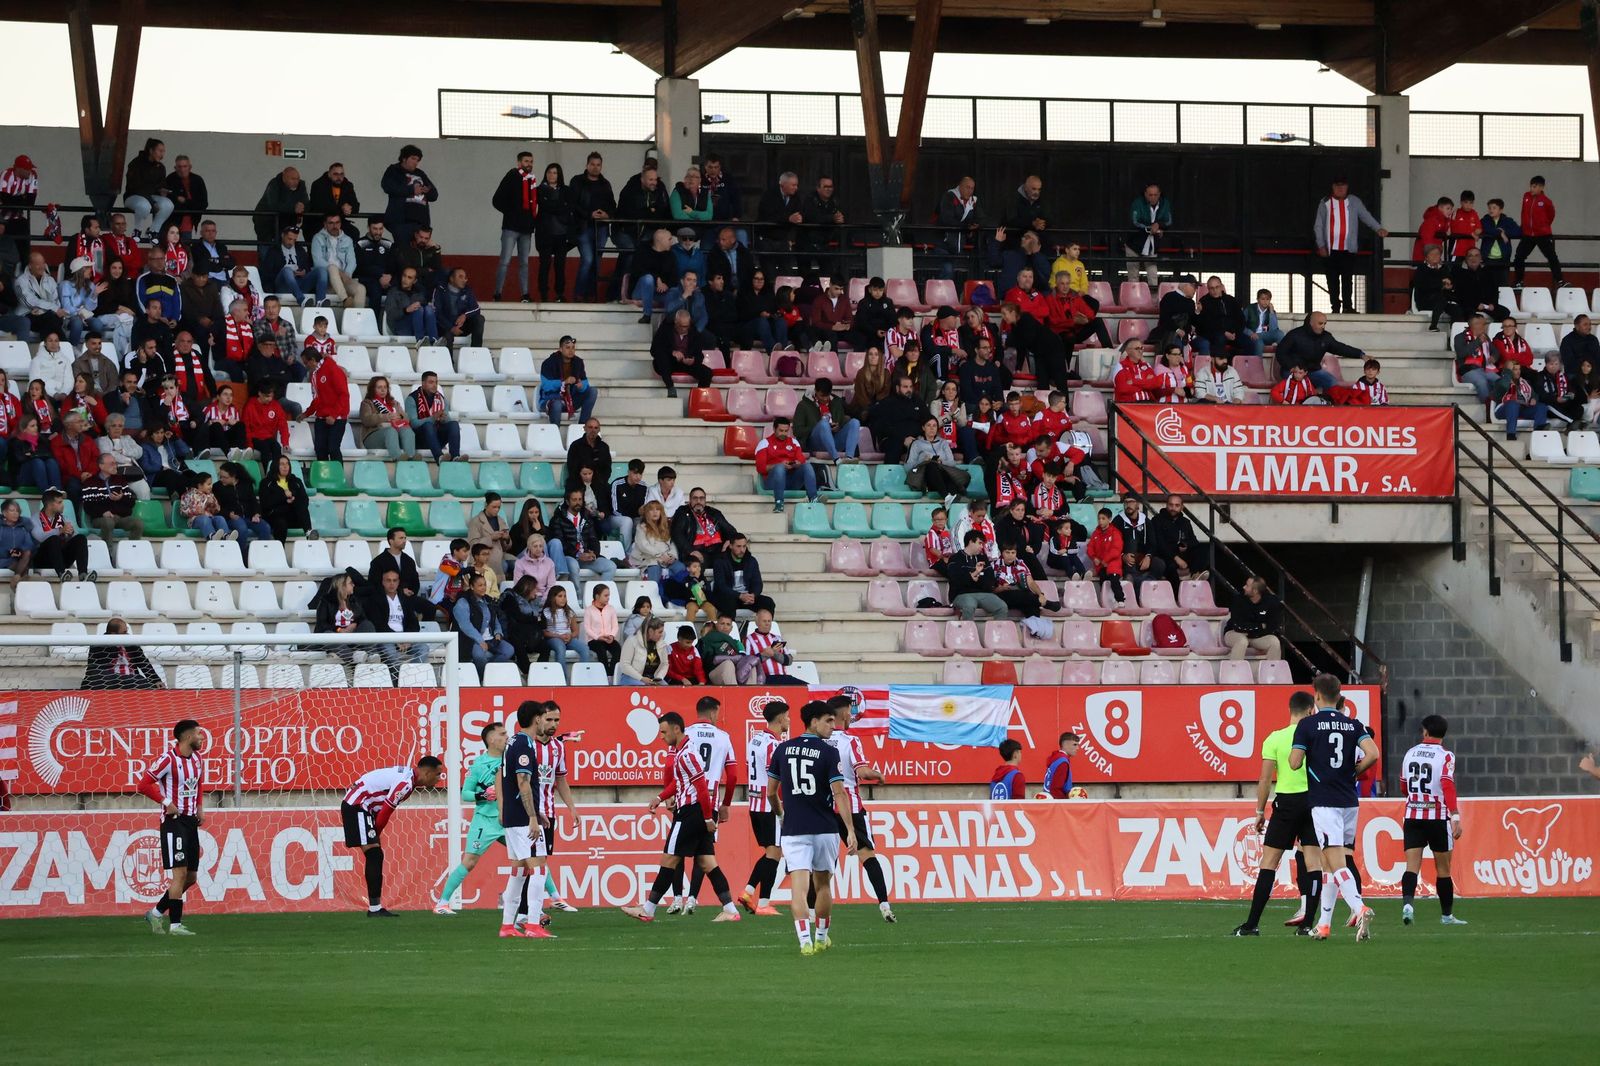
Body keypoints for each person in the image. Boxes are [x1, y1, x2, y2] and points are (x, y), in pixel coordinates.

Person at [620, 710, 742, 924]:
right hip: (696, 811)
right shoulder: (683, 751)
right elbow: (680, 782)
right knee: (707, 862)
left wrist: (706, 819)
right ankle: (730, 909)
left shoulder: (686, 754)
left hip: (690, 813)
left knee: (669, 858)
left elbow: (701, 788)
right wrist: (660, 797)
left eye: (664, 731)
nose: (661, 736)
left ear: (677, 729)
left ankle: (647, 909)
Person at [1288, 675, 1379, 941]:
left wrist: (1303, 752)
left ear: (1316, 696)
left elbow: (1294, 763)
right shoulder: (1353, 724)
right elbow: (1372, 753)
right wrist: (1354, 771)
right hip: (1349, 801)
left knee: (1336, 863)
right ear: (1339, 696)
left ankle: (1359, 907)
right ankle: (1324, 924)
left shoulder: (1308, 724)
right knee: (1330, 864)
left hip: (1324, 802)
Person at [1230, 691, 1323, 937]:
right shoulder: (1315, 736)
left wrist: (1259, 811)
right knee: (1314, 864)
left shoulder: (1275, 738)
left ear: (1290, 710)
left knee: (1269, 863)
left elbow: (1264, 779)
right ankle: (1307, 926)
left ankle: (1252, 924)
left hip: (1287, 804)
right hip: (1313, 802)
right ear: (1310, 711)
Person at [768, 701, 856, 954]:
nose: (833, 725)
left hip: (794, 829)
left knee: (799, 887)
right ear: (813, 721)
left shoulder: (782, 749)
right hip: (825, 828)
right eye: (828, 721)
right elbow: (839, 793)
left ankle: (804, 942)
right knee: (824, 886)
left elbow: (771, 793)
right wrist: (849, 829)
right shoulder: (829, 752)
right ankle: (821, 938)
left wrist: (781, 814)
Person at [339, 755, 444, 917]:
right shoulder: (406, 784)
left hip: (362, 805)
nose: (439, 779)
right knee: (374, 854)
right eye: (438, 774)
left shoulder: (408, 778)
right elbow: (386, 811)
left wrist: (375, 833)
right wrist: (376, 833)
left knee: (375, 855)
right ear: (427, 772)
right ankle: (374, 909)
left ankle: (375, 908)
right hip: (357, 804)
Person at [135, 718, 204, 936]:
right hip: (174, 822)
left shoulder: (197, 759)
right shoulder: (168, 759)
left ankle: (155, 913)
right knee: (180, 875)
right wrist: (166, 803)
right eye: (198, 734)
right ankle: (175, 925)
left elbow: (198, 784)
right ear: (187, 736)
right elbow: (143, 784)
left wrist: (200, 808)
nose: (201, 737)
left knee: (191, 877)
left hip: (191, 821)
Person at [493, 703, 556, 938]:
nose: (546, 722)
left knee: (519, 870)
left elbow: (506, 779)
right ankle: (532, 925)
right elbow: (522, 781)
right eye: (544, 718)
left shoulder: (514, 742)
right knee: (539, 868)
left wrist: (535, 813)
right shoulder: (524, 744)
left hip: (514, 815)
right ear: (537, 719)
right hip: (521, 818)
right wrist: (531, 817)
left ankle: (508, 926)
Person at [1398, 714, 1467, 928]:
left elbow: (1403, 786)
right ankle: (1446, 916)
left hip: (1413, 816)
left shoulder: (1410, 753)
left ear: (1425, 732)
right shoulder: (1446, 756)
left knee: (1411, 867)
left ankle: (1408, 904)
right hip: (1437, 818)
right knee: (1443, 869)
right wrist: (1455, 815)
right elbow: (1447, 785)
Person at [434, 721, 509, 913]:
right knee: (469, 861)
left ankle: (556, 898)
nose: (507, 737)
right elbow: (465, 793)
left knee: (532, 855)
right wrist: (483, 795)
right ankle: (442, 903)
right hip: (485, 821)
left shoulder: (512, 759)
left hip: (508, 819)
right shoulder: (478, 765)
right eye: (502, 734)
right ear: (491, 739)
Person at [736, 699, 789, 915]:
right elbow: (774, 776)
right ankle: (764, 903)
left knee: (771, 853)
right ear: (778, 718)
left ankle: (749, 893)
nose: (788, 720)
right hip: (770, 805)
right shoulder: (774, 745)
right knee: (774, 853)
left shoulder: (755, 740)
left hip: (755, 804)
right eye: (786, 716)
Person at [1313, 177, 1387, 314]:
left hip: (1348, 249)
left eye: (1343, 185)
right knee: (1332, 280)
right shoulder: (1325, 202)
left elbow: (1365, 216)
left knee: (1347, 278)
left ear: (1347, 187)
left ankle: (1347, 306)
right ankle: (1335, 307)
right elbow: (1319, 225)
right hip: (1330, 250)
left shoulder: (1354, 201)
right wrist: (1321, 245)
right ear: (1332, 187)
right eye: (1337, 185)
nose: (1340, 188)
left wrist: (1378, 228)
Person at [489, 151, 538, 302]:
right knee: (505, 261)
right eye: (525, 161)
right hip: (510, 227)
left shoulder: (532, 180)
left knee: (524, 262)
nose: (528, 164)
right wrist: (511, 212)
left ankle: (525, 294)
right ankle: (497, 293)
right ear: (519, 163)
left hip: (526, 229)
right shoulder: (512, 176)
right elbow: (497, 199)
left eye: (531, 161)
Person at [568, 152, 615, 302]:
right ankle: (579, 295)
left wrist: (607, 215)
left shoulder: (605, 184)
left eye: (598, 165)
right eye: (592, 164)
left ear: (601, 166)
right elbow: (572, 204)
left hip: (601, 228)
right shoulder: (577, 181)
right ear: (587, 165)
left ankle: (592, 295)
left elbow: (612, 205)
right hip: (583, 227)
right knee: (588, 259)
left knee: (596, 261)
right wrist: (590, 214)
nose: (595, 168)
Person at [1274, 312, 1364, 390]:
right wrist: (1291, 367)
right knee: (1301, 388)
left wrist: (1360, 354)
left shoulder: (1326, 337)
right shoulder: (1294, 334)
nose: (1323, 326)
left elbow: (1341, 348)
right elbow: (1281, 352)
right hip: (1293, 371)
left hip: (1314, 371)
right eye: (1320, 323)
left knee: (1332, 383)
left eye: (1325, 324)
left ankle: (1328, 406)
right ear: (1311, 323)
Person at [453, 571, 513, 679]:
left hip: (491, 638)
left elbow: (495, 620)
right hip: (473, 640)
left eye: (484, 584)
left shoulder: (488, 600)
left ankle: (490, 673)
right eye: (480, 585)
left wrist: (498, 632)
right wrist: (480, 640)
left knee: (509, 650)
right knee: (479, 656)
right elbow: (465, 625)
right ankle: (482, 678)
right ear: (471, 587)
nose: (483, 588)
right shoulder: (463, 602)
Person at [549, 488, 617, 583]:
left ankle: (599, 593)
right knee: (573, 565)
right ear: (567, 502)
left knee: (611, 566)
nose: (578, 502)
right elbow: (561, 543)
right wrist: (577, 554)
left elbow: (593, 539)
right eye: (574, 499)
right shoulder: (558, 519)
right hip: (569, 557)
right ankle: (577, 596)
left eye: (580, 499)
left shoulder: (587, 518)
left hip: (586, 557)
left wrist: (593, 553)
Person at [754, 417, 816, 513]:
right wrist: (778, 465)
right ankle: (779, 503)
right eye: (781, 430)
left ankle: (813, 498)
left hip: (791, 481)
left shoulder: (794, 442)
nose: (783, 433)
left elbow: (801, 460)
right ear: (774, 429)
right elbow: (760, 468)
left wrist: (796, 464)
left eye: (786, 431)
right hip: (772, 483)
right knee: (779, 468)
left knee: (807, 466)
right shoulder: (764, 443)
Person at [380, 145, 437, 248]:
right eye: (413, 158)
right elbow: (387, 186)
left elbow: (434, 195)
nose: (416, 162)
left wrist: (427, 191)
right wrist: (411, 190)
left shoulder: (420, 173)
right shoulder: (394, 170)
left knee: (421, 252)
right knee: (404, 252)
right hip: (401, 221)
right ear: (404, 158)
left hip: (421, 222)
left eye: (418, 160)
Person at [81, 615, 161, 688]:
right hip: (109, 682)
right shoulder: (98, 645)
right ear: (112, 634)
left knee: (143, 682)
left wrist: (156, 680)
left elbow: (143, 663)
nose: (126, 635)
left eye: (126, 631)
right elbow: (94, 671)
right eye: (124, 633)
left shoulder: (131, 643)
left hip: (132, 681)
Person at [81, 452, 144, 545]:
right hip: (101, 518)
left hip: (120, 517)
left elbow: (131, 502)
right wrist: (103, 512)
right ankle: (107, 553)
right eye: (112, 464)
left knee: (138, 523)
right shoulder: (90, 482)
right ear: (101, 466)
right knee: (108, 522)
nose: (115, 466)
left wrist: (121, 498)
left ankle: (132, 551)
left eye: (115, 463)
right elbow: (88, 505)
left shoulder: (121, 480)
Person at [1146, 494, 1209, 585]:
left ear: (1181, 507)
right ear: (1166, 505)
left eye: (1177, 505)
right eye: (1171, 505)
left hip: (1182, 554)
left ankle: (1195, 575)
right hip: (1166, 556)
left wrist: (1186, 546)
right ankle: (1179, 594)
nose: (1173, 508)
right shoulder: (1157, 520)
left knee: (1203, 550)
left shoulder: (1185, 522)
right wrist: (1176, 558)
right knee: (1170, 567)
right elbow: (1159, 544)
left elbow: (1194, 541)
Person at [301, 346, 349, 463]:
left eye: (306, 363)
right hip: (322, 418)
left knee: (333, 449)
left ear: (312, 360)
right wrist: (306, 413)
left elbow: (343, 395)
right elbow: (317, 399)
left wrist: (333, 415)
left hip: (337, 418)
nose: (305, 366)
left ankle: (338, 478)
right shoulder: (314, 375)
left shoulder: (333, 369)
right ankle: (323, 479)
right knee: (320, 450)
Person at [1513, 175, 1562, 289]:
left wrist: (1543, 226)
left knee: (1552, 257)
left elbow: (1551, 215)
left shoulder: (1546, 201)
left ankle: (1560, 281)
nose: (1532, 189)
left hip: (1543, 235)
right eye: (1531, 186)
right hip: (1528, 235)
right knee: (1519, 256)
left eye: (1534, 187)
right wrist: (1524, 227)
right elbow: (1523, 212)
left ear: (1541, 187)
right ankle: (1519, 281)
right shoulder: (1526, 196)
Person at [310, 212, 367, 309]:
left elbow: (352, 262)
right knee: (332, 268)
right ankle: (345, 300)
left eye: (337, 222)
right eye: (331, 223)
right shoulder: (318, 238)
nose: (334, 226)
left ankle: (356, 320)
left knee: (361, 289)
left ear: (340, 223)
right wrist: (340, 273)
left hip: (344, 279)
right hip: (326, 280)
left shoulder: (347, 240)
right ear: (325, 224)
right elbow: (318, 262)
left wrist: (347, 275)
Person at [214, 460, 272, 553]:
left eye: (225, 477)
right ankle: (240, 555)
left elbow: (253, 501)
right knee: (242, 528)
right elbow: (216, 507)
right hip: (231, 518)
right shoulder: (217, 487)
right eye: (220, 477)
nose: (221, 479)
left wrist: (256, 514)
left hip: (249, 516)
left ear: (234, 477)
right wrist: (228, 514)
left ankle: (257, 553)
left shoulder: (245, 484)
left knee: (265, 527)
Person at [948, 528, 1007, 620]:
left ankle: (995, 633)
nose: (982, 547)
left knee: (1002, 607)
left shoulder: (983, 558)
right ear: (971, 542)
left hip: (983, 593)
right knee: (969, 605)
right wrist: (973, 575)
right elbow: (955, 580)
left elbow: (990, 579)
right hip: (961, 594)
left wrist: (974, 577)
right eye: (979, 543)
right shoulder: (955, 558)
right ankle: (968, 633)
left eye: (982, 544)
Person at [540, 336, 596, 427]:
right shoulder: (548, 363)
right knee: (557, 404)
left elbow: (585, 382)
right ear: (561, 349)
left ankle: (581, 427)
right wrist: (563, 383)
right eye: (567, 348)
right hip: (551, 398)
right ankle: (555, 433)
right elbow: (546, 386)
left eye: (573, 348)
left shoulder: (578, 362)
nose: (571, 350)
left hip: (571, 399)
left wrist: (581, 386)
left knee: (593, 391)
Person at [122, 138, 171, 243]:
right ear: (151, 150)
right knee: (144, 206)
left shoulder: (160, 167)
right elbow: (135, 187)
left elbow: (160, 185)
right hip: (133, 196)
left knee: (168, 204)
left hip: (150, 197)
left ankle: (153, 231)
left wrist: (163, 191)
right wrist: (153, 202)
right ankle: (137, 230)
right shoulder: (136, 164)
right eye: (159, 150)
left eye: (163, 151)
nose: (162, 154)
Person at [407, 371, 462, 463]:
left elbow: (446, 420)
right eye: (431, 382)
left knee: (454, 424)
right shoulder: (412, 398)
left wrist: (443, 419)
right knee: (428, 425)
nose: (434, 385)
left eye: (436, 382)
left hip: (436, 437)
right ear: (423, 383)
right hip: (420, 439)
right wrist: (433, 418)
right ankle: (439, 457)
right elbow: (413, 424)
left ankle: (455, 456)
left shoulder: (441, 399)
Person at [1224, 575, 1282, 660]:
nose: (1244, 587)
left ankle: (1271, 671)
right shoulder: (1238, 600)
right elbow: (1237, 626)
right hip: (1234, 633)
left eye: (1247, 586)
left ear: (1255, 591)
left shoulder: (1271, 601)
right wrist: (1260, 626)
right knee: (1242, 641)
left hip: (1257, 636)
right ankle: (1235, 670)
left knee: (1274, 641)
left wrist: (1252, 629)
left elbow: (1273, 625)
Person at [1124, 182, 1170, 288]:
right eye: (1150, 195)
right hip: (1134, 243)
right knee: (1133, 276)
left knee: (1153, 274)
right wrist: (1150, 228)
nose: (1153, 197)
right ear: (1145, 194)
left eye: (1155, 195)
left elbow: (1168, 221)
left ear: (1159, 194)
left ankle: (1153, 303)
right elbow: (1135, 222)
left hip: (1152, 245)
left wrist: (1159, 225)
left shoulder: (1165, 203)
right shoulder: (1137, 203)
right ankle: (1133, 301)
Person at [259, 454, 314, 543]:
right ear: (276, 466)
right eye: (282, 464)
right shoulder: (266, 483)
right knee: (281, 523)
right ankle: (280, 550)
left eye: (287, 464)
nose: (285, 467)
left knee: (301, 506)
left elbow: (305, 500)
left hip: (293, 516)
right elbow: (266, 503)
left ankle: (309, 533)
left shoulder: (296, 481)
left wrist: (293, 499)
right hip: (275, 516)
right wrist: (284, 496)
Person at [1492, 359, 1547, 441]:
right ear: (1508, 370)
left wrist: (1534, 399)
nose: (1518, 372)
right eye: (1514, 369)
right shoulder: (1500, 382)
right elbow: (1503, 386)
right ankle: (1511, 435)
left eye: (1519, 369)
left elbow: (1534, 394)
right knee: (1513, 404)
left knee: (1541, 407)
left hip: (1522, 408)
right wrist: (1508, 373)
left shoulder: (1524, 382)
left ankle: (1539, 432)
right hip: (1504, 409)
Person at [383, 265, 437, 343]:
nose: (405, 279)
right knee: (418, 310)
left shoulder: (419, 293)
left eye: (409, 277)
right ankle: (420, 341)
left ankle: (434, 340)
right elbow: (391, 315)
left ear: (414, 281)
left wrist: (430, 307)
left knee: (428, 309)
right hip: (401, 326)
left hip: (418, 325)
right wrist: (406, 310)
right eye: (404, 276)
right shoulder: (393, 292)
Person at [1453, 314, 1500, 401]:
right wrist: (1478, 341)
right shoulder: (1460, 337)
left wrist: (1494, 357)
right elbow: (1461, 353)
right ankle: (1487, 407)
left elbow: (1495, 351)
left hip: (1484, 369)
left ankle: (1498, 405)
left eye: (1483, 324)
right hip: (1468, 370)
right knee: (1481, 382)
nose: (1482, 326)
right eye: (1479, 324)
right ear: (1471, 325)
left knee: (1500, 381)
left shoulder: (1486, 337)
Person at [1195, 276, 1244, 358]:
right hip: (1215, 334)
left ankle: (1243, 368)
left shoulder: (1231, 300)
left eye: (1217, 287)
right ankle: (1220, 367)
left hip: (1233, 333)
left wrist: (1236, 332)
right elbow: (1206, 324)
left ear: (1221, 286)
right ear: (1208, 289)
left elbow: (1241, 319)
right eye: (1211, 288)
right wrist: (1224, 332)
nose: (1214, 290)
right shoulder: (1204, 301)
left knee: (1250, 342)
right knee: (1220, 338)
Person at [434, 267, 485, 348]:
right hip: (445, 326)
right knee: (447, 335)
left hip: (461, 326)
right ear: (451, 278)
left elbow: (476, 309)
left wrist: (465, 315)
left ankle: (476, 352)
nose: (464, 280)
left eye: (465, 278)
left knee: (479, 319)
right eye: (460, 277)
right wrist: (451, 328)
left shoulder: (467, 290)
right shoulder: (440, 290)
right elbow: (436, 312)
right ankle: (449, 360)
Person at [1411, 244, 1457, 332]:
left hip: (1442, 300)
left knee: (1455, 309)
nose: (1435, 256)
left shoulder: (1444, 268)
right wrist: (1441, 283)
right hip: (1426, 300)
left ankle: (1454, 332)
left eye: (1437, 254)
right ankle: (1433, 325)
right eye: (1432, 254)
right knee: (1440, 299)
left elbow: (1451, 281)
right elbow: (1423, 285)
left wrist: (1450, 286)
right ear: (1426, 257)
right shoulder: (1421, 269)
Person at [583, 582, 622, 672]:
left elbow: (615, 625)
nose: (608, 598)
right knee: (601, 651)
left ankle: (612, 673)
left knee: (617, 649)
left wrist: (612, 636)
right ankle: (605, 674)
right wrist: (598, 637)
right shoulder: (589, 610)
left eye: (608, 595)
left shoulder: (611, 608)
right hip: (594, 640)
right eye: (605, 595)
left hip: (608, 638)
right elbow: (587, 628)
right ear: (597, 596)